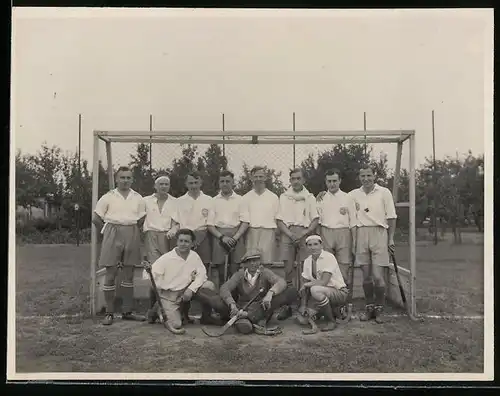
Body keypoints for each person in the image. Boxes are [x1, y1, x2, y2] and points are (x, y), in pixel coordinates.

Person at [143, 229, 228, 334]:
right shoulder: (166, 258)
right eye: (181, 241)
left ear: (192, 243)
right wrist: (161, 287)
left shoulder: (194, 256)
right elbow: (148, 274)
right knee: (176, 324)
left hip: (187, 291)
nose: (183, 244)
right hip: (170, 295)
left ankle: (206, 317)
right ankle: (159, 309)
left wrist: (191, 289)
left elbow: (202, 275)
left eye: (186, 241)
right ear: (177, 242)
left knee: (209, 286)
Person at [92, 166, 147, 326]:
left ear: (132, 179)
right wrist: (106, 232)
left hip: (131, 230)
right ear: (116, 179)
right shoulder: (108, 197)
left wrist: (133, 230)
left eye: (128, 178)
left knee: (129, 274)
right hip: (112, 230)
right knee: (111, 273)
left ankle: (127, 311)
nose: (125, 181)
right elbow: (96, 218)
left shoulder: (138, 198)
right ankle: (109, 312)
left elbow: (142, 219)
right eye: (122, 177)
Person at [348, 166, 397, 323]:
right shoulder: (353, 194)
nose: (366, 178)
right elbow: (338, 199)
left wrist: (391, 238)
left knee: (377, 276)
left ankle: (379, 309)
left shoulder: (384, 192)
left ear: (374, 176)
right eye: (363, 176)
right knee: (366, 276)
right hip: (362, 233)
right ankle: (369, 308)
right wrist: (322, 196)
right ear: (359, 177)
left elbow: (391, 216)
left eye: (369, 175)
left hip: (379, 233)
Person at [219, 249, 299, 336]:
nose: (253, 264)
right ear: (245, 263)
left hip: (262, 308)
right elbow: (224, 288)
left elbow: (281, 282)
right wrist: (232, 304)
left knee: (291, 291)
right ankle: (253, 321)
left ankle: (250, 319)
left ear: (260, 261)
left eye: (256, 260)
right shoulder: (239, 274)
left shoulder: (265, 272)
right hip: (243, 308)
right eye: (250, 261)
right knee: (215, 300)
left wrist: (270, 293)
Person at [276, 168, 319, 319]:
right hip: (288, 234)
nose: (295, 181)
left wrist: (303, 234)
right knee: (288, 271)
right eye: (293, 178)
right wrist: (290, 234)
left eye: (298, 178)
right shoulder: (284, 196)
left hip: (305, 234)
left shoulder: (310, 197)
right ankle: (287, 305)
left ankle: (304, 303)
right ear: (290, 180)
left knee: (306, 270)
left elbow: (315, 220)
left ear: (304, 180)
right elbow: (279, 220)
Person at [142, 175, 180, 324]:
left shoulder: (174, 202)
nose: (164, 186)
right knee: (154, 272)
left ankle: (164, 309)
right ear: (155, 186)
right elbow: (138, 218)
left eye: (166, 184)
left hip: (167, 237)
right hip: (151, 236)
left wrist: (173, 230)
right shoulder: (146, 200)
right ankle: (152, 309)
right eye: (161, 184)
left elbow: (177, 223)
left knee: (168, 272)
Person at [296, 235, 348, 332]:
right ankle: (331, 311)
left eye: (316, 244)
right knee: (302, 320)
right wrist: (303, 305)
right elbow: (305, 286)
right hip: (319, 295)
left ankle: (331, 321)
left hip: (338, 292)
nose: (313, 247)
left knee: (315, 289)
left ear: (321, 245)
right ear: (307, 247)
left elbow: (324, 282)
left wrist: (306, 284)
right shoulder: (307, 261)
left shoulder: (328, 257)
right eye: (310, 245)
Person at [207, 170, 250, 289]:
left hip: (236, 235)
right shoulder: (213, 200)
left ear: (233, 183)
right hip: (219, 236)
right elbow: (210, 225)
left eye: (227, 181)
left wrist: (235, 238)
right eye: (222, 181)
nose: (225, 184)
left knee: (235, 269)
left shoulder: (241, 200)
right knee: (221, 270)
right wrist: (222, 237)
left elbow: (245, 222)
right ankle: (222, 294)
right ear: (219, 183)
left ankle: (234, 296)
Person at [315, 168, 357, 284]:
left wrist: (354, 241)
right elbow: (318, 221)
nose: (332, 184)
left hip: (343, 233)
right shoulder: (321, 198)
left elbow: (353, 221)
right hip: (326, 232)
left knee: (344, 265)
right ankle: (329, 295)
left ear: (340, 181)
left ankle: (343, 295)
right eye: (329, 181)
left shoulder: (348, 197)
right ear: (325, 182)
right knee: (326, 265)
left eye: (334, 181)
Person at [175, 171, 214, 277]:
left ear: (201, 183)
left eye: (196, 182)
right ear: (186, 184)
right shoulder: (179, 201)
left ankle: (203, 291)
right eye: (191, 183)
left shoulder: (209, 200)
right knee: (185, 266)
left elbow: (210, 222)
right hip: (185, 236)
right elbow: (177, 222)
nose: (194, 186)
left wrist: (199, 237)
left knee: (203, 266)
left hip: (203, 236)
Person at [242, 166, 280, 268]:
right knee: (251, 261)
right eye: (256, 176)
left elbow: (277, 218)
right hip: (252, 231)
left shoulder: (273, 197)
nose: (258, 179)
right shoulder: (246, 197)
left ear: (265, 178)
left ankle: (266, 284)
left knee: (266, 262)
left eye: (261, 176)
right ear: (251, 178)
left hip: (268, 231)